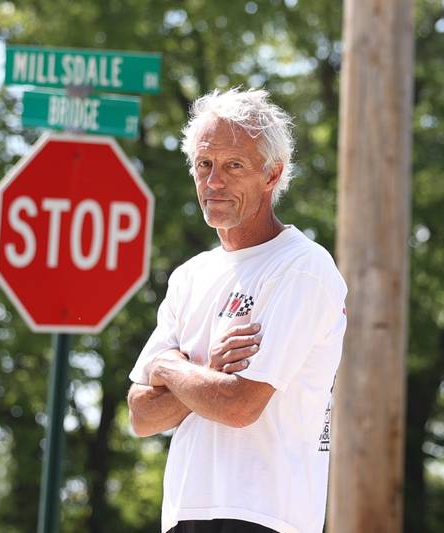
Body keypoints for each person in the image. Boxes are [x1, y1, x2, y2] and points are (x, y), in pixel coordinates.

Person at [127, 87, 348, 533]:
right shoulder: (189, 276)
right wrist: (207, 370)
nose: (213, 183)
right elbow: (140, 415)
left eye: (233, 166)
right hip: (185, 511)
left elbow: (240, 405)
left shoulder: (303, 268)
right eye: (204, 165)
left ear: (272, 175)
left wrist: (169, 369)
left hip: (265, 515)